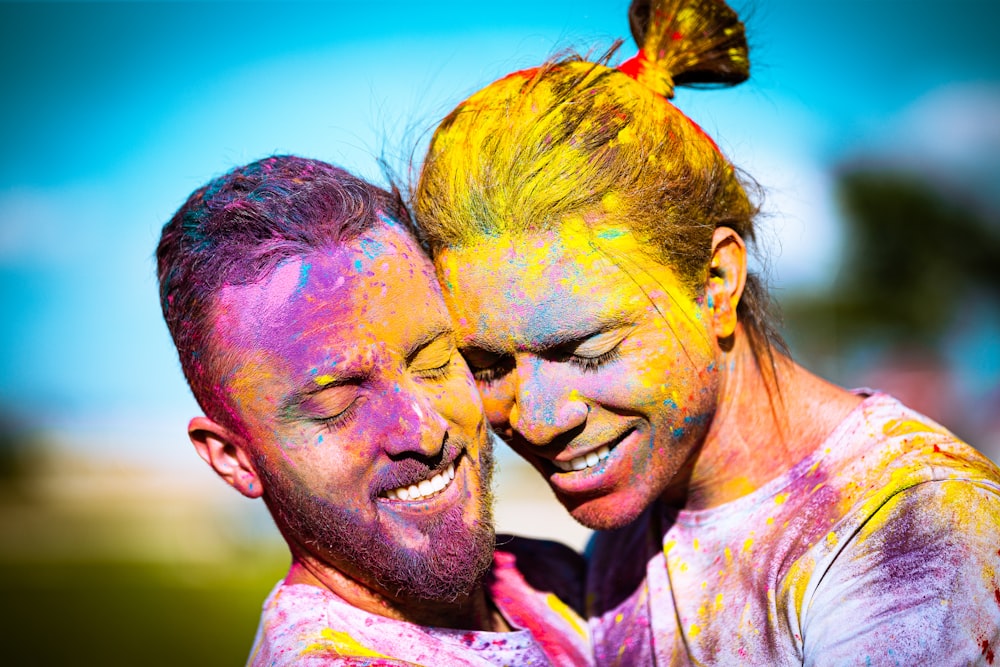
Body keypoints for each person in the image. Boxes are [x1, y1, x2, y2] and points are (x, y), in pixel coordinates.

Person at [413, 0, 1000, 663]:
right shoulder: (642, 516)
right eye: (488, 364)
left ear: (717, 282)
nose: (540, 419)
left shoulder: (913, 536)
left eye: (587, 349)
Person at [156, 155, 593, 666]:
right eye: (339, 402)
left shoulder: (552, 579)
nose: (425, 430)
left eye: (432, 361)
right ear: (233, 457)